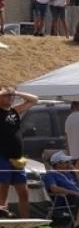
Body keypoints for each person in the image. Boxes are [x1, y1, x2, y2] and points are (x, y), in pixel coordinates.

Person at [0, 87, 39, 218]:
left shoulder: (15, 111)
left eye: (12, 96)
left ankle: (25, 221)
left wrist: (15, 92)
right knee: (3, 189)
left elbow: (34, 100)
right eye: (7, 95)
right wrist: (3, 92)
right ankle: (2, 218)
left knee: (23, 192)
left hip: (17, 158)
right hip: (2, 156)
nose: (10, 98)